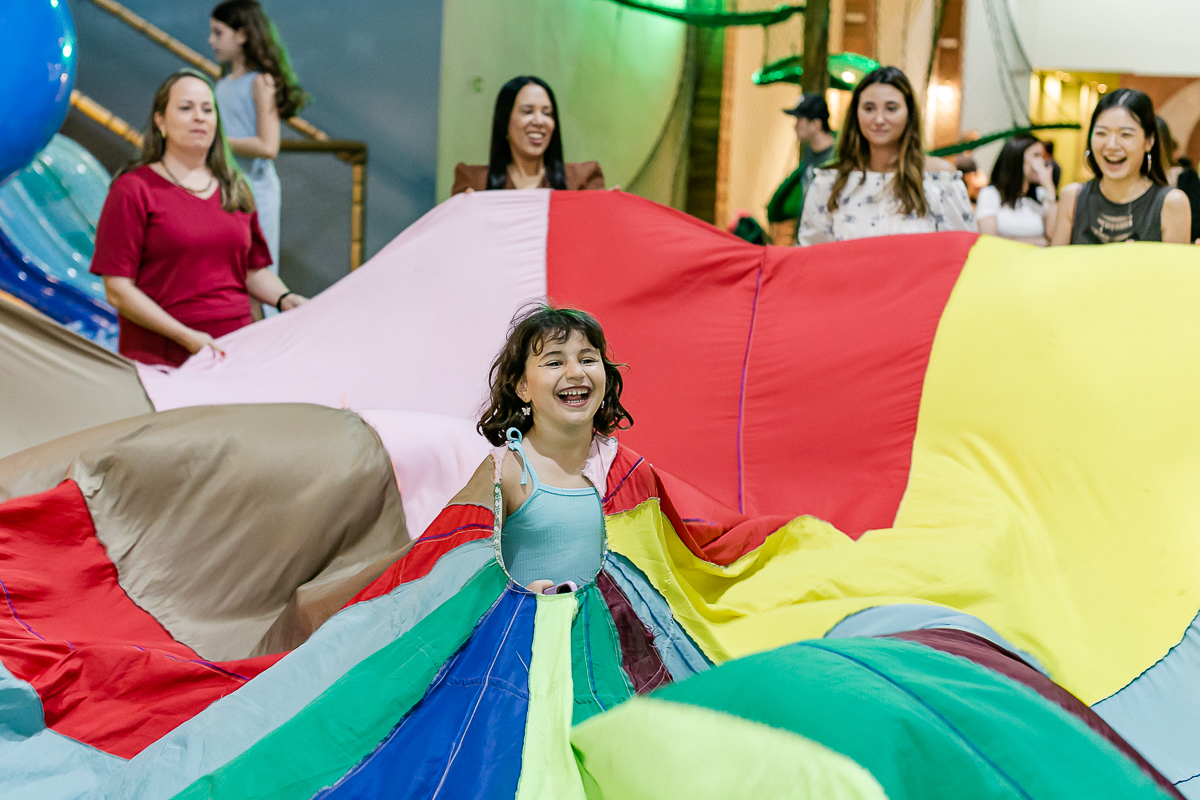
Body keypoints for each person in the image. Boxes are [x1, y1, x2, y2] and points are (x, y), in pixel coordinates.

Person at [91, 69, 306, 367]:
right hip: (162, 360)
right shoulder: (133, 190)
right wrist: (187, 338)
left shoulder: (236, 186)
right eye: (186, 108)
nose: (199, 117)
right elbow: (118, 290)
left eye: (207, 109)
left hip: (233, 355)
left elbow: (252, 271)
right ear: (160, 121)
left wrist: (285, 299)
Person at [477, 305, 632, 592]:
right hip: (528, 632)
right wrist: (518, 597)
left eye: (587, 359)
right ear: (522, 386)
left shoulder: (623, 469)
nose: (575, 373)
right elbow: (458, 564)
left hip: (604, 634)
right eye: (554, 363)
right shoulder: (507, 470)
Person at [797, 66, 976, 246]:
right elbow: (811, 254)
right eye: (869, 108)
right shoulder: (830, 183)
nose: (879, 119)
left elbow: (962, 251)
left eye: (891, 108)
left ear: (908, 114)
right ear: (855, 114)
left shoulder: (937, 180)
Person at [209, 0, 308, 316]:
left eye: (218, 32)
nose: (211, 41)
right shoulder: (223, 83)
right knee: (231, 272)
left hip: (256, 191)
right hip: (226, 190)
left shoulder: (260, 82)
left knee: (259, 270)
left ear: (241, 35)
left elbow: (268, 145)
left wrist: (217, 141)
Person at [1053, 89, 1190, 245]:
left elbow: (1175, 269)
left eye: (1125, 135)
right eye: (1101, 133)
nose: (1111, 145)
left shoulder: (1171, 203)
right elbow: (1056, 265)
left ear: (1149, 141)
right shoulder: (1073, 197)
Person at [451, 76, 605, 195]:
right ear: (505, 122)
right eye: (527, 111)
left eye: (547, 113)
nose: (539, 121)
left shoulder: (582, 180)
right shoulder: (474, 183)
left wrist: (613, 207)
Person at [975, 136, 1058, 245]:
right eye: (1036, 156)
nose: (1042, 162)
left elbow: (1053, 236)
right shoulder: (991, 194)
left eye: (1043, 156)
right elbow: (989, 239)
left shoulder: (1042, 195)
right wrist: (1039, 242)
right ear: (1017, 158)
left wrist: (1050, 188)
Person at [777, 93, 836, 243]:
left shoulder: (836, 159)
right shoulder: (809, 152)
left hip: (824, 243)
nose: (794, 126)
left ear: (815, 124)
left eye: (799, 120)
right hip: (804, 238)